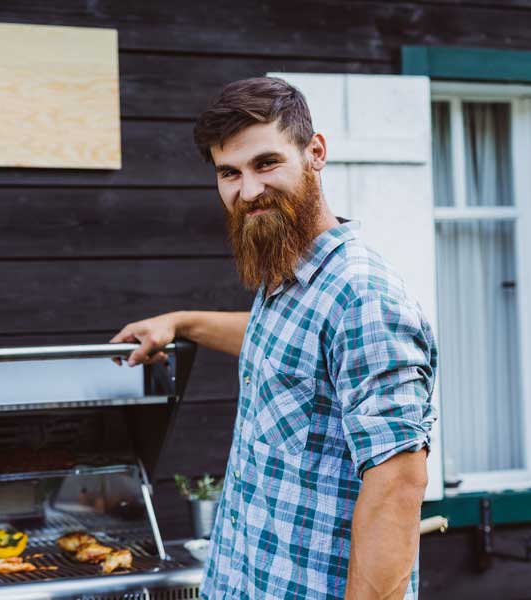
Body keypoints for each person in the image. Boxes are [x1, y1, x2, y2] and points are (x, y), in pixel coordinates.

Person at [110, 77, 438, 599]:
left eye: (266, 163)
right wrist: (182, 321)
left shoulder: (364, 296)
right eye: (229, 173)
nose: (248, 190)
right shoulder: (289, 278)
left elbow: (398, 486)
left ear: (316, 153)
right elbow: (286, 348)